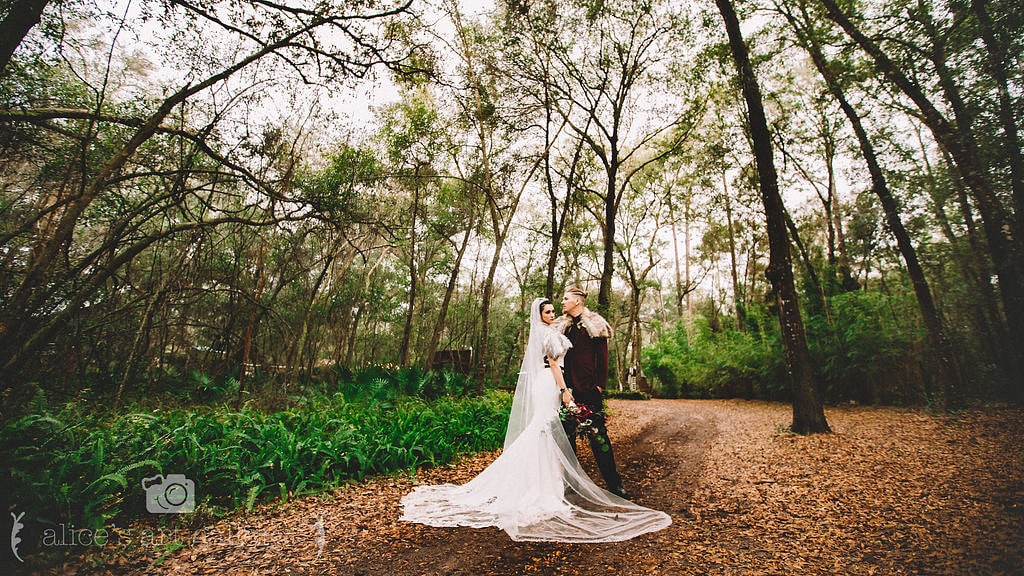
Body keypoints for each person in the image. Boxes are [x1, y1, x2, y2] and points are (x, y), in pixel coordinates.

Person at [400, 297, 671, 542]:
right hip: (555, 385)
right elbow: (554, 362)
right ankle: (551, 484)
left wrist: (595, 386)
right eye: (549, 310)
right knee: (547, 431)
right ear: (540, 314)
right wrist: (565, 391)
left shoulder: (582, 326)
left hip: (566, 386)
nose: (554, 312)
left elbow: (596, 356)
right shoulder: (551, 331)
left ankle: (603, 484)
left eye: (558, 306)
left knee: (555, 433)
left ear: (577, 300)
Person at [552, 286, 628, 498]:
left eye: (566, 299)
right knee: (567, 439)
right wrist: (562, 388)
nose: (562, 302)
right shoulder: (562, 326)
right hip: (567, 391)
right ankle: (571, 483)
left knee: (598, 437)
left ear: (578, 301)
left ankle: (614, 484)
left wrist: (599, 386)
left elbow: (603, 359)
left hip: (589, 389)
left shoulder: (595, 325)